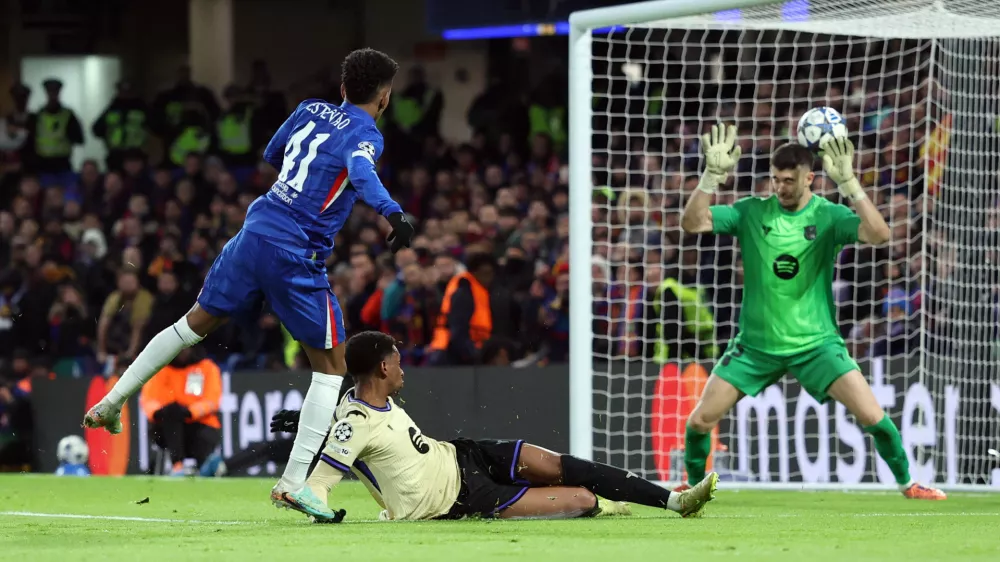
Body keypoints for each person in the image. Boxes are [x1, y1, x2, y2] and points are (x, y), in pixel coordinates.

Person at [83, 48, 416, 520]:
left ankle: (111, 401)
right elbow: (361, 172)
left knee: (192, 323)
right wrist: (393, 212)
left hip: (253, 232)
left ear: (343, 89)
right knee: (330, 366)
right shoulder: (366, 135)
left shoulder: (307, 110)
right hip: (296, 251)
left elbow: (272, 153)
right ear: (384, 98)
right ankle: (294, 483)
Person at [678, 124, 945, 500]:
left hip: (817, 344)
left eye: (789, 180)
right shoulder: (751, 212)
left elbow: (880, 235)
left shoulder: (829, 216)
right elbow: (691, 223)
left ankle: (909, 483)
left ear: (810, 179)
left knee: (872, 417)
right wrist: (710, 177)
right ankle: (691, 490)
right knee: (700, 420)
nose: (780, 187)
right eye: (775, 179)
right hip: (756, 346)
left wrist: (851, 183)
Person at [292, 331, 718, 523]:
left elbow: (343, 433)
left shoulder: (353, 406)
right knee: (585, 499)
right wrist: (316, 504)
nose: (404, 370)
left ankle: (672, 501)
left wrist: (303, 423)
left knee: (559, 464)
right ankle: (610, 504)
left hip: (463, 454)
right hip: (460, 499)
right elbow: (321, 482)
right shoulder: (356, 419)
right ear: (384, 367)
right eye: (398, 361)